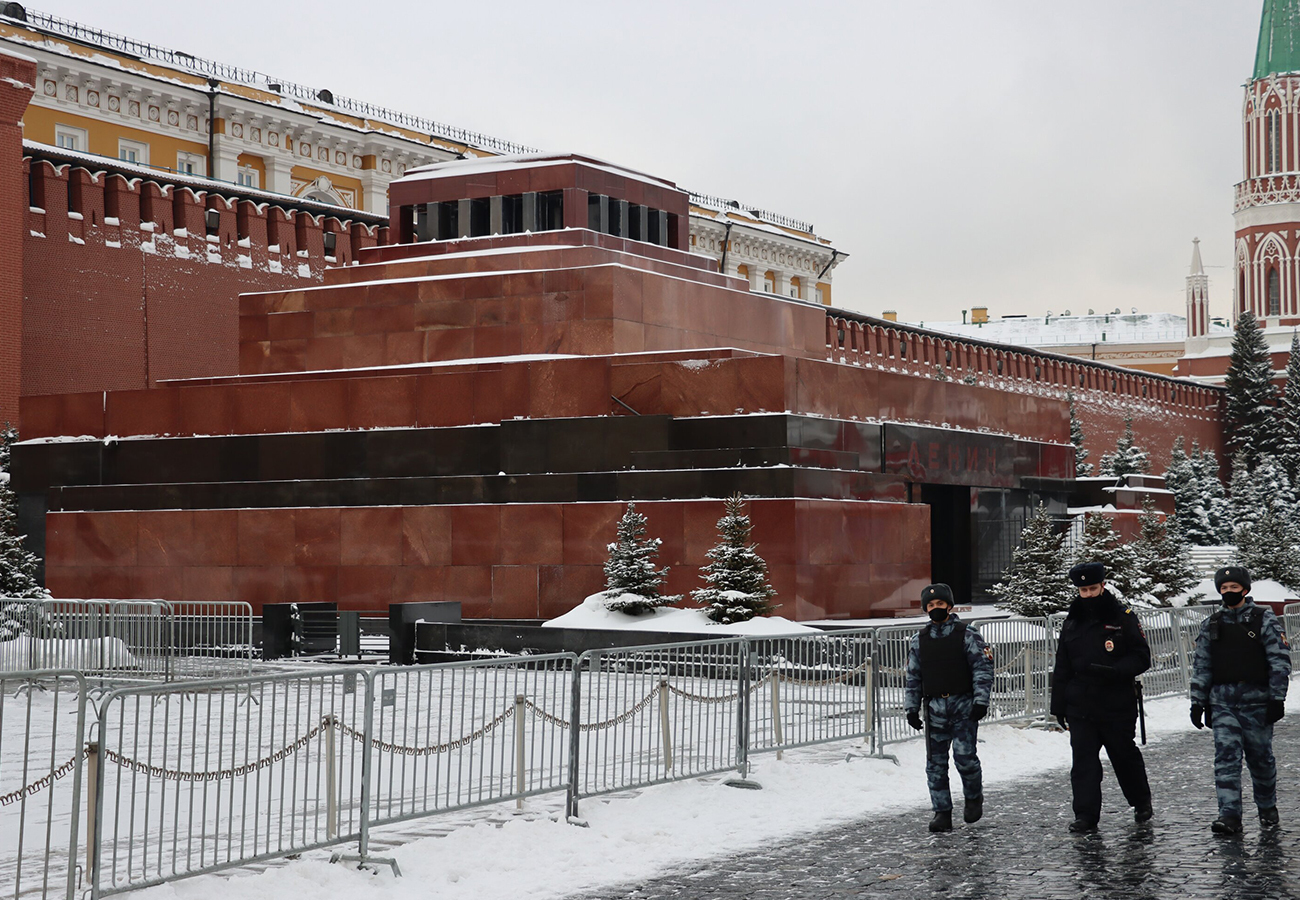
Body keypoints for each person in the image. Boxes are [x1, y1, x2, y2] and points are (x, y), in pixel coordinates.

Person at [1050, 561, 1153, 833]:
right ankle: (1085, 815)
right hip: (1081, 704)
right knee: (1083, 762)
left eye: (1092, 588)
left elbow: (1142, 656)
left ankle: (1140, 800)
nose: (1087, 594)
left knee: (1123, 755)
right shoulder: (1072, 621)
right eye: (1082, 590)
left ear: (1103, 585)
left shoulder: (1122, 616)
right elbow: (1062, 665)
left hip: (1116, 701)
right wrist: (1058, 704)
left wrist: (1116, 671)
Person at [1189, 565, 1291, 835]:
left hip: (1257, 701)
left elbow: (1279, 661)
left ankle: (1267, 806)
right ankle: (1229, 814)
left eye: (1234, 588)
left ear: (1245, 589)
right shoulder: (1212, 624)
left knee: (1260, 759)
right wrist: (1198, 701)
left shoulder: (1264, 620)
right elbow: (1202, 665)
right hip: (1223, 702)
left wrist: (1277, 698)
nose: (1229, 592)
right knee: (1226, 758)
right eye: (1224, 588)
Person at [904, 583, 994, 832]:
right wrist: (911, 709)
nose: (935, 608)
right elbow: (913, 676)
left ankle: (974, 797)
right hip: (934, 710)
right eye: (930, 605)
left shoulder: (967, 634)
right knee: (935, 765)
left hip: (963, 707)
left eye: (939, 604)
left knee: (965, 759)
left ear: (949, 606)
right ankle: (941, 812)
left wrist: (980, 701)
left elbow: (982, 669)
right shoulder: (919, 640)